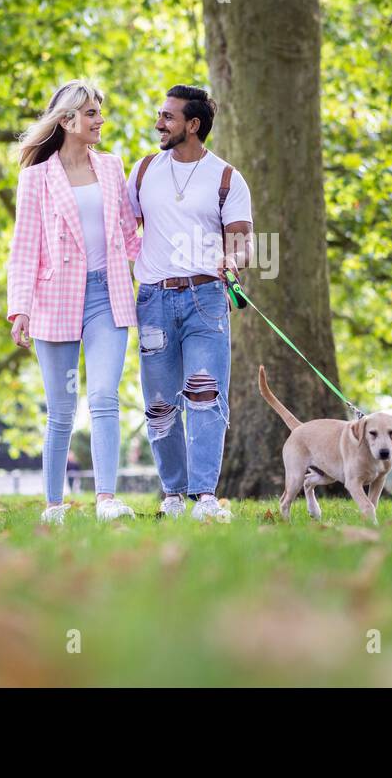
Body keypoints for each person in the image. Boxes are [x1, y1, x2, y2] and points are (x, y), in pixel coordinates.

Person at [7, 80, 142, 525]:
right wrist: (20, 307)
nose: (99, 119)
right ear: (66, 121)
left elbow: (128, 235)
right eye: (90, 113)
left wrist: (172, 270)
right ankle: (53, 506)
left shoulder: (112, 167)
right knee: (61, 411)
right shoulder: (35, 179)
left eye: (99, 111)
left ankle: (106, 499)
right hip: (55, 298)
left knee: (104, 396)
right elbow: (25, 247)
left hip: (108, 295)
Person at [127, 85, 253, 522]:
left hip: (207, 299)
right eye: (160, 115)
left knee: (206, 395)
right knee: (161, 403)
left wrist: (231, 260)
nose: (159, 123)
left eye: (168, 117)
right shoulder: (143, 172)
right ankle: (173, 495)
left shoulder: (226, 178)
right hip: (154, 301)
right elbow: (121, 232)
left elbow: (242, 244)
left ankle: (205, 497)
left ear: (193, 125)